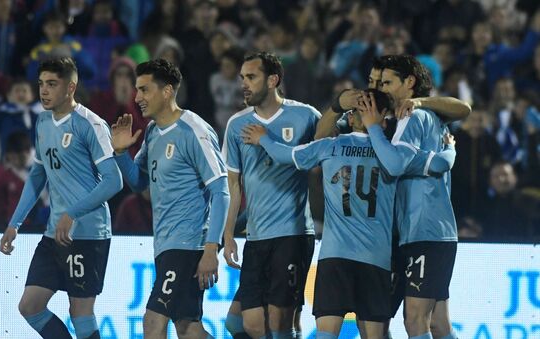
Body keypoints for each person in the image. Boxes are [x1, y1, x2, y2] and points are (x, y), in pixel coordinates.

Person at [241, 88, 457, 339]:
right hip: (375, 261)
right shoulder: (394, 154)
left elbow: (284, 155)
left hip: (335, 257)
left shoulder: (330, 146)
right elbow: (441, 163)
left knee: (326, 334)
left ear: (354, 117)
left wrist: (263, 138)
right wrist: (450, 147)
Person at [0, 57, 123, 339]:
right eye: (41, 84)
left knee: (80, 314)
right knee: (30, 306)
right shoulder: (43, 122)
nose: (43, 91)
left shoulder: (90, 124)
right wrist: (14, 223)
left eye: (52, 84)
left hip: (88, 232)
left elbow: (114, 180)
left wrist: (73, 213)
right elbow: (37, 176)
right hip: (54, 232)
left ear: (70, 87)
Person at [110, 58, 229, 339]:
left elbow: (221, 190)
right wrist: (120, 153)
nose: (137, 97)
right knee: (188, 329)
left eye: (144, 89)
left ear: (167, 91)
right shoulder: (152, 133)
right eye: (137, 90)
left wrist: (211, 248)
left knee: (153, 323)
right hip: (166, 244)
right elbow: (139, 182)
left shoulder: (194, 131)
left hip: (187, 245)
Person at [361, 54, 460, 339]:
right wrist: (440, 158)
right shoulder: (434, 118)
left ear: (410, 83)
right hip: (430, 232)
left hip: (423, 232)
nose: (382, 89)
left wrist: (370, 127)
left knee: (415, 321)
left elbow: (393, 164)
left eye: (388, 83)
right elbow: (434, 162)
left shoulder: (412, 116)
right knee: (439, 325)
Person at [222, 52, 319, 339]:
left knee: (280, 324)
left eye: (251, 77)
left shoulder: (305, 116)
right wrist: (228, 235)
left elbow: (329, 147)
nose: (244, 84)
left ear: (273, 79)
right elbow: (234, 186)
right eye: (242, 78)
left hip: (293, 235)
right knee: (245, 324)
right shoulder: (236, 124)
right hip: (256, 237)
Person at [315, 56, 471, 139]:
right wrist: (337, 107)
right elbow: (320, 138)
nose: (374, 88)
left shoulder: (421, 115)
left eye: (383, 83)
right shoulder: (361, 113)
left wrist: (419, 102)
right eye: (371, 81)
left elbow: (463, 109)